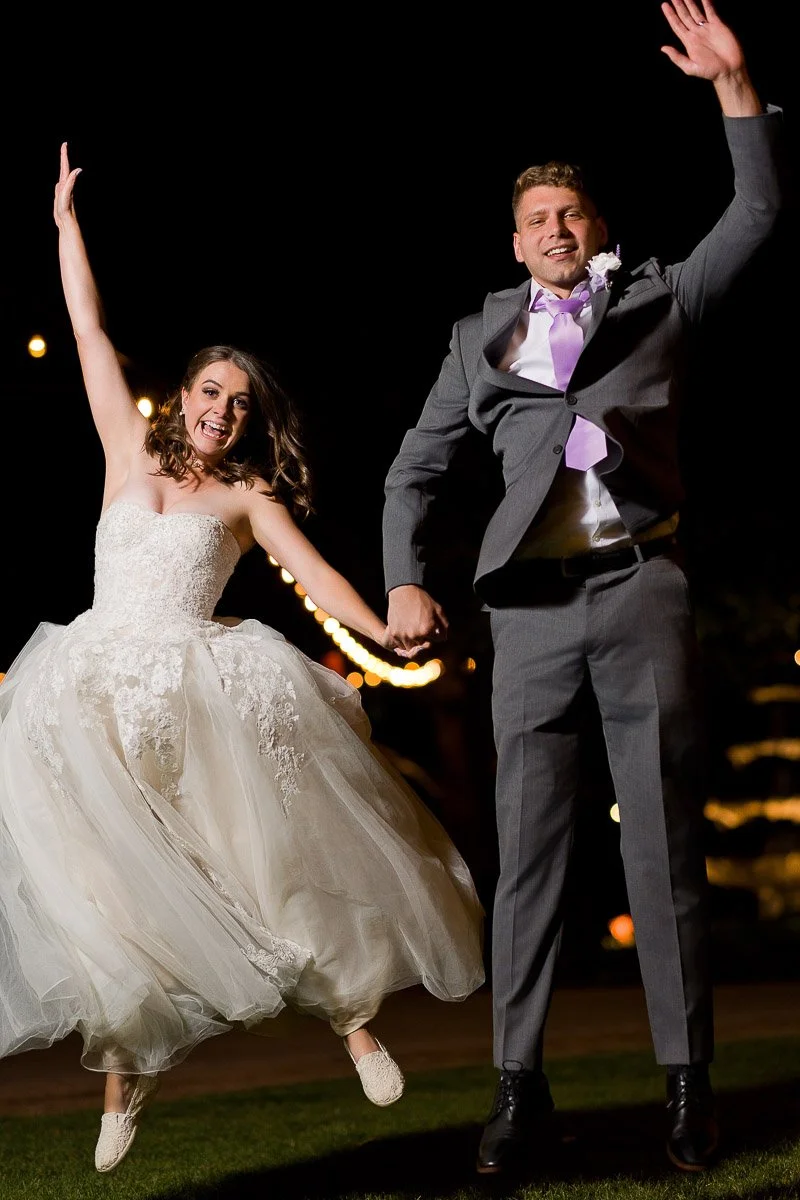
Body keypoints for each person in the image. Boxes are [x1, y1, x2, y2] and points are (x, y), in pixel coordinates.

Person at [0, 143, 485, 1175]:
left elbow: (323, 579)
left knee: (261, 868)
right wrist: (63, 226)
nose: (221, 413)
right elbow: (87, 329)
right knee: (117, 903)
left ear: (246, 423)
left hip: (196, 696)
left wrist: (380, 631)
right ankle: (125, 1091)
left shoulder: (246, 500)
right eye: (210, 395)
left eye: (238, 406)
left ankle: (355, 1025)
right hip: (91, 699)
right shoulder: (125, 457)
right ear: (181, 396)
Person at [382, 0, 785, 1178]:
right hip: (527, 617)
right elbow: (413, 467)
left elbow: (758, 210)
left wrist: (733, 85)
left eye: (568, 212)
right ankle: (516, 1092)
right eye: (532, 219)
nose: (552, 227)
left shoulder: (661, 300)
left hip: (640, 593)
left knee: (662, 851)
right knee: (530, 859)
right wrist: (406, 582)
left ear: (595, 227)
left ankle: (684, 1088)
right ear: (513, 246)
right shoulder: (475, 340)